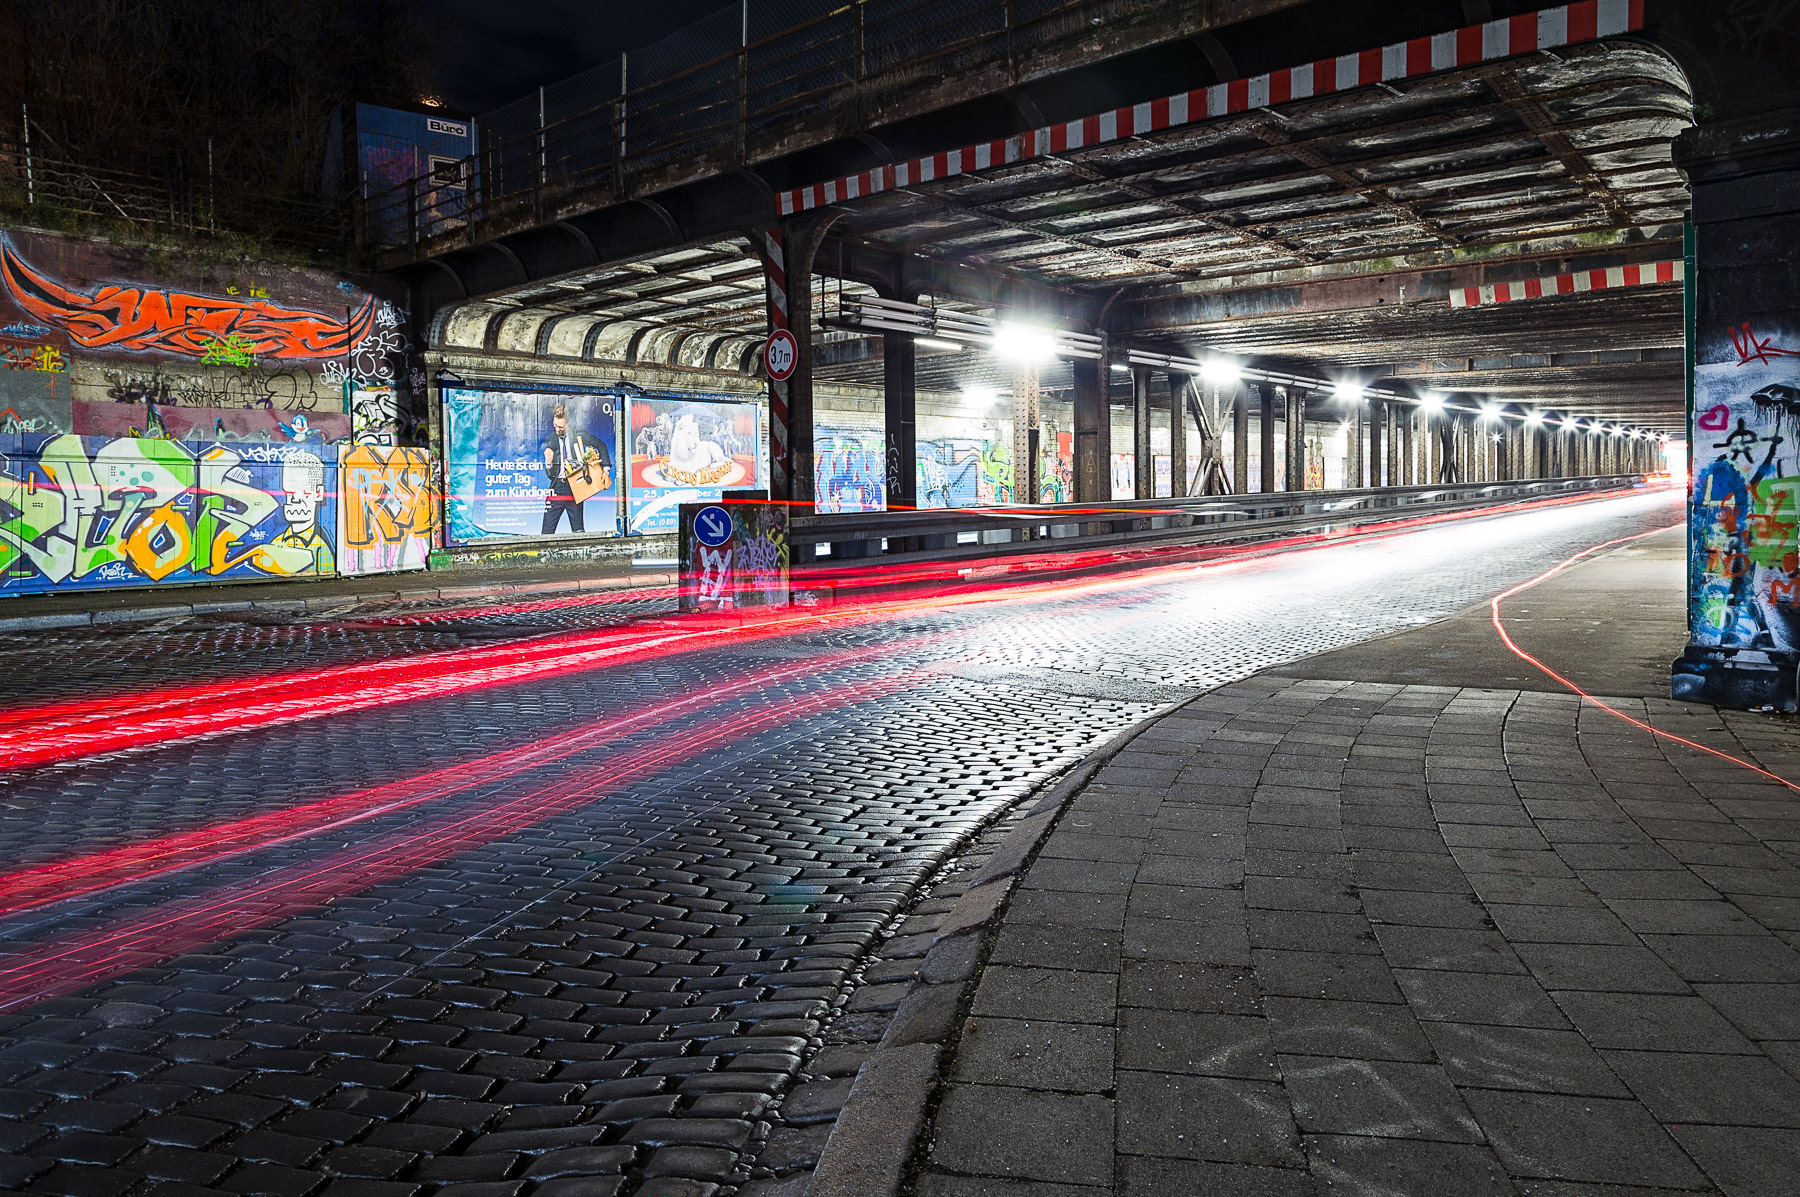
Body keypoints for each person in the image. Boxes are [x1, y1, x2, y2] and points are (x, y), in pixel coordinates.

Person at [540, 401, 610, 534]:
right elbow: (550, 475)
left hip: (575, 488)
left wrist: (606, 470)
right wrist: (548, 463)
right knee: (546, 533)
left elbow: (601, 445)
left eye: (560, 427)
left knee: (578, 532)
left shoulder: (578, 433)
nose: (557, 429)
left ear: (568, 423)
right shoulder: (550, 439)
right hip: (556, 488)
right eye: (555, 425)